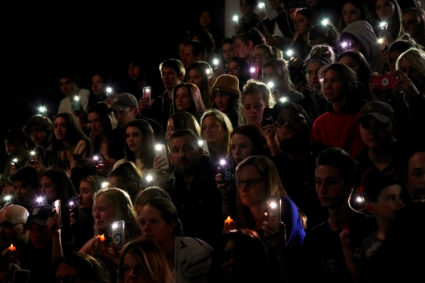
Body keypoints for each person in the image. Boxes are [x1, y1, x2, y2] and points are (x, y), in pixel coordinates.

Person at [301, 147, 376, 283]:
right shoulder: (314, 238)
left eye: (331, 182)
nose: (322, 189)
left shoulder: (370, 228)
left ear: (349, 184)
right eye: (318, 182)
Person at [233, 155, 305, 281]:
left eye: (252, 182)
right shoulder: (242, 214)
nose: (244, 188)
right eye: (241, 182)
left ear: (268, 182)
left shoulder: (283, 206)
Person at [271, 101, 328, 230]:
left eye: (293, 118)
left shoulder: (326, 157)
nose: (287, 124)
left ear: (306, 121)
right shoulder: (275, 166)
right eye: (281, 122)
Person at [135, 193, 213, 282]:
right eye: (142, 222)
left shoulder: (195, 254)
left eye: (153, 221)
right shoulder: (144, 257)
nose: (146, 228)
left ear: (171, 226)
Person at [166, 129, 222, 248]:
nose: (182, 155)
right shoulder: (171, 187)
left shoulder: (217, 180)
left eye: (187, 148)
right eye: (176, 150)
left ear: (200, 151)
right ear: (170, 157)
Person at [350, 172, 406, 283]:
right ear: (372, 207)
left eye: (401, 197)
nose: (400, 203)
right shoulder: (367, 247)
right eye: (391, 198)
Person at [79, 187, 141, 282]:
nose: (96, 215)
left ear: (120, 210)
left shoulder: (138, 245)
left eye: (102, 209)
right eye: (94, 209)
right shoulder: (96, 243)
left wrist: (115, 260)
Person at [311, 63, 366, 159]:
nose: (327, 87)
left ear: (348, 84)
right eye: (325, 81)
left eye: (334, 81)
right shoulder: (320, 122)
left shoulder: (362, 116)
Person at [216, 125, 268, 218]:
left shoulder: (266, 170)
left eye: (243, 146)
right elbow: (227, 217)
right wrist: (226, 195)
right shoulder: (231, 173)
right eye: (233, 147)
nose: (236, 152)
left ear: (255, 147)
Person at [146, 59, 185, 130]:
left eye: (170, 73)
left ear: (180, 76)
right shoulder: (158, 103)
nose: (166, 77)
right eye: (163, 74)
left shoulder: (187, 99)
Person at [70, 175, 105, 249]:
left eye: (85, 192)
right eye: (80, 191)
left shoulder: (102, 220)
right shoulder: (78, 217)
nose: (79, 196)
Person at [87, 102, 122, 175]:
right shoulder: (96, 142)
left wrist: (116, 162)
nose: (93, 125)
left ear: (105, 119)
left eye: (96, 121)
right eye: (90, 122)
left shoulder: (119, 137)